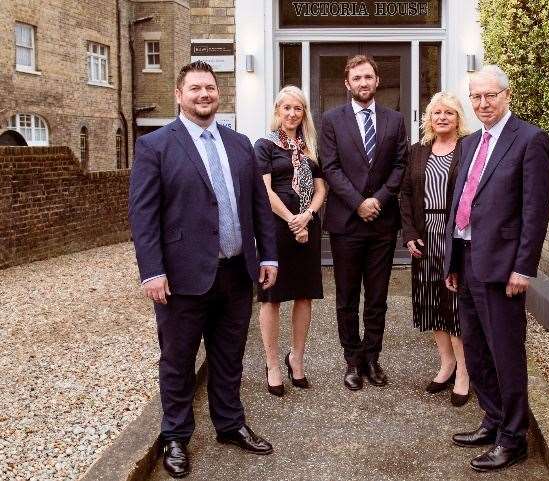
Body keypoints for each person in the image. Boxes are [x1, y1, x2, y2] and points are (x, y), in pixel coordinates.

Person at [129, 61, 278, 479]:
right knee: (177, 360)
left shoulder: (239, 143)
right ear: (179, 94)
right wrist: (152, 271)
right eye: (195, 88)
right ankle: (175, 436)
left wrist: (268, 256)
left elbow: (257, 206)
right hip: (180, 278)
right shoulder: (155, 146)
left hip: (235, 273)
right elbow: (143, 217)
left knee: (229, 357)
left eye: (210, 88)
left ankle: (230, 425)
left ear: (218, 93)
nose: (204, 95)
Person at [443, 65, 549, 472]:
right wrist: (453, 261)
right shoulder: (470, 143)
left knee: (506, 352)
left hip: (504, 266)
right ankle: (492, 419)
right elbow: (461, 204)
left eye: (490, 96)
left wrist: (523, 268)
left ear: (507, 95)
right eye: (476, 97)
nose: (482, 103)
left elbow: (535, 211)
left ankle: (514, 438)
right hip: (468, 258)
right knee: (476, 347)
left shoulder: (530, 140)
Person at [320, 55, 408, 391]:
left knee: (377, 296)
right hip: (346, 223)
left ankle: (372, 357)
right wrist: (358, 203)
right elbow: (330, 167)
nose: (363, 83)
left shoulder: (394, 119)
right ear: (347, 83)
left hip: (383, 223)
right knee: (346, 296)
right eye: (357, 78)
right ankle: (352, 360)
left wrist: (379, 200)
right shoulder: (332, 120)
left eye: (368, 77)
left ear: (377, 80)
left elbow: (400, 165)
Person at [254, 85, 326, 397]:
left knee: (304, 295)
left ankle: (296, 359)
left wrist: (307, 215)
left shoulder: (309, 147)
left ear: (304, 113)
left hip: (307, 229)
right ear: (278, 111)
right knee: (272, 297)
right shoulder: (265, 145)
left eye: (298, 109)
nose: (293, 114)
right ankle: (272, 364)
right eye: (287, 108)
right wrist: (291, 219)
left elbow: (322, 188)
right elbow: (265, 191)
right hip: (276, 229)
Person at [400, 92, 471, 406]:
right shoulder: (417, 152)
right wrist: (410, 233)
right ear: (429, 118)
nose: (442, 117)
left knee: (454, 304)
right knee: (429, 303)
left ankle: (465, 373)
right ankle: (447, 364)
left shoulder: (468, 149)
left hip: (454, 235)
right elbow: (404, 195)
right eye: (437, 112)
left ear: (458, 119)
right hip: (424, 235)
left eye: (449, 113)